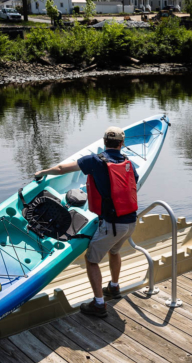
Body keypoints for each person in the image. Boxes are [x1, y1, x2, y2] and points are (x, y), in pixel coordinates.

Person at [34, 126, 139, 317]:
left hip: (112, 224)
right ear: (121, 144)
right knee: (114, 251)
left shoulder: (95, 160)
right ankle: (114, 287)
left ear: (104, 142)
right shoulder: (129, 163)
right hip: (130, 221)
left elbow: (61, 168)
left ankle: (99, 304)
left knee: (91, 261)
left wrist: (43, 172)